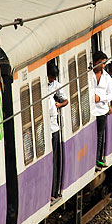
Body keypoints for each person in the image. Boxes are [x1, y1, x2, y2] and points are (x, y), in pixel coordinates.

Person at [47, 62, 68, 202]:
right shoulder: (41, 87)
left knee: (54, 161)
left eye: (54, 77)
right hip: (44, 128)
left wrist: (58, 104)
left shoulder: (55, 86)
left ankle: (54, 191)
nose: (53, 79)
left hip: (53, 127)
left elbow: (65, 100)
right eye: (51, 77)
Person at [91, 51, 112, 170]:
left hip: (101, 110)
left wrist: (100, 98)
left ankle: (98, 159)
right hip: (90, 111)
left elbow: (111, 95)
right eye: (100, 63)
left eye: (104, 63)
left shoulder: (107, 78)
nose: (102, 66)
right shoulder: (89, 76)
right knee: (92, 136)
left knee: (100, 135)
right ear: (95, 62)